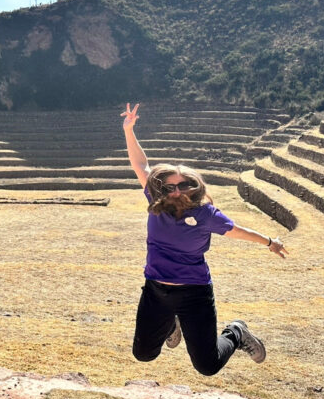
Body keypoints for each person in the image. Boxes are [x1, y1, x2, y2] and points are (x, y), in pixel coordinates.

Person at [120, 102, 289, 375]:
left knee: (207, 365)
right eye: (171, 186)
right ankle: (171, 324)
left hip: (194, 293)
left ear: (194, 186)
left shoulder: (206, 214)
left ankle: (236, 332)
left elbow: (238, 231)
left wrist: (269, 243)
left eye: (184, 185)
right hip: (156, 291)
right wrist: (129, 130)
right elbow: (141, 164)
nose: (176, 191)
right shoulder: (156, 199)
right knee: (144, 354)